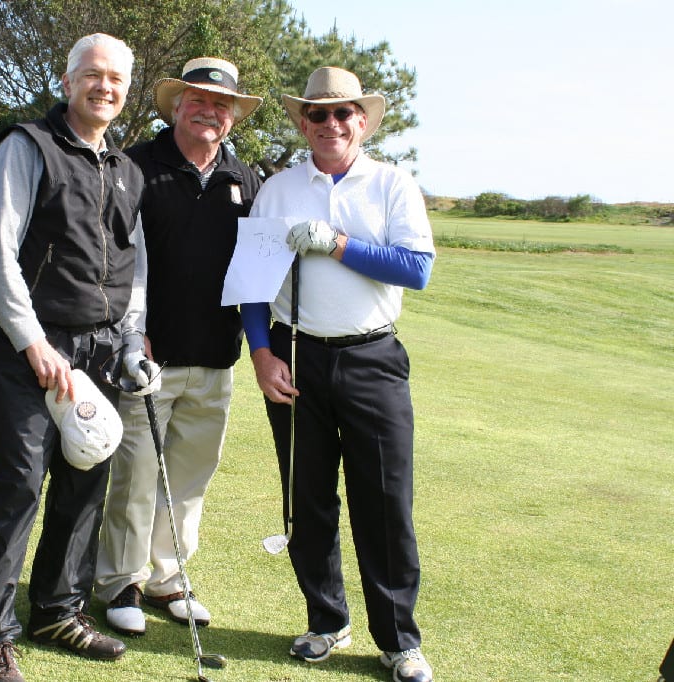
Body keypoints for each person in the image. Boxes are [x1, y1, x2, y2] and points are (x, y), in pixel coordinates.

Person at [0, 33, 157, 682]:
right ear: (67, 82)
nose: (105, 87)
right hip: (31, 349)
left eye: (116, 79)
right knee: (16, 485)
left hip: (99, 353)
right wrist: (32, 342)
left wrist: (131, 339)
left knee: (84, 482)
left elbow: (133, 268)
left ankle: (58, 609)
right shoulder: (26, 146)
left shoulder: (126, 169)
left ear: (126, 90)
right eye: (92, 75)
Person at [240, 66, 436, 682]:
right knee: (309, 499)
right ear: (303, 123)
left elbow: (417, 269)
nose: (331, 124)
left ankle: (398, 639)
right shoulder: (277, 190)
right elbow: (252, 283)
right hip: (294, 355)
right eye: (318, 115)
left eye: (343, 113)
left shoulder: (392, 185)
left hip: (372, 358)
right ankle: (327, 620)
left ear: (362, 120)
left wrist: (338, 243)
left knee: (383, 503)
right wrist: (261, 353)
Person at [95, 57, 263, 636]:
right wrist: (127, 333)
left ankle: (170, 577)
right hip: (148, 355)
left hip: (217, 356)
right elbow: (118, 259)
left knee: (189, 479)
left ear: (234, 115)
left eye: (222, 104)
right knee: (137, 475)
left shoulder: (245, 177)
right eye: (198, 100)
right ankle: (122, 581)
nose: (210, 111)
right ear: (176, 106)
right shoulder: (137, 166)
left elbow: (257, 270)